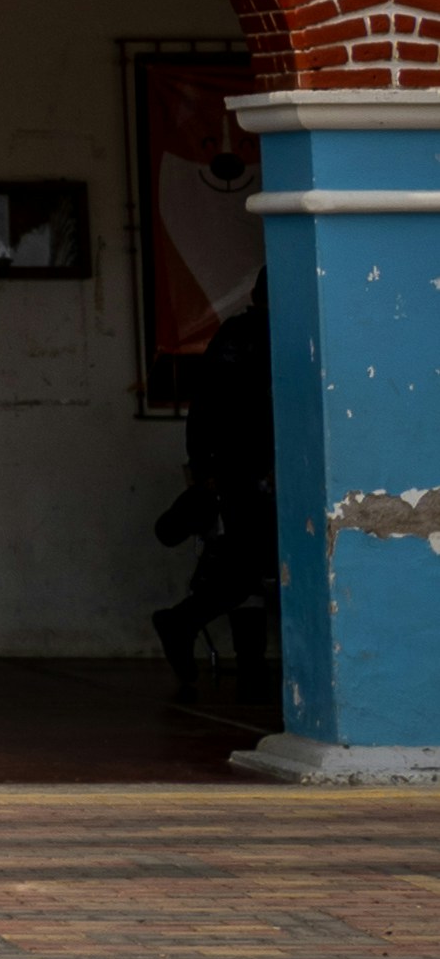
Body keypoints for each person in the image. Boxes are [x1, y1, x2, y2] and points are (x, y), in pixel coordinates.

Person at [153, 290, 277, 691]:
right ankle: (242, 665)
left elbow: (205, 404)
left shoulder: (237, 336)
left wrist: (206, 464)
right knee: (250, 567)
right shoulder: (262, 335)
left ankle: (244, 667)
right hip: (250, 472)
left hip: (238, 471)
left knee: (247, 568)